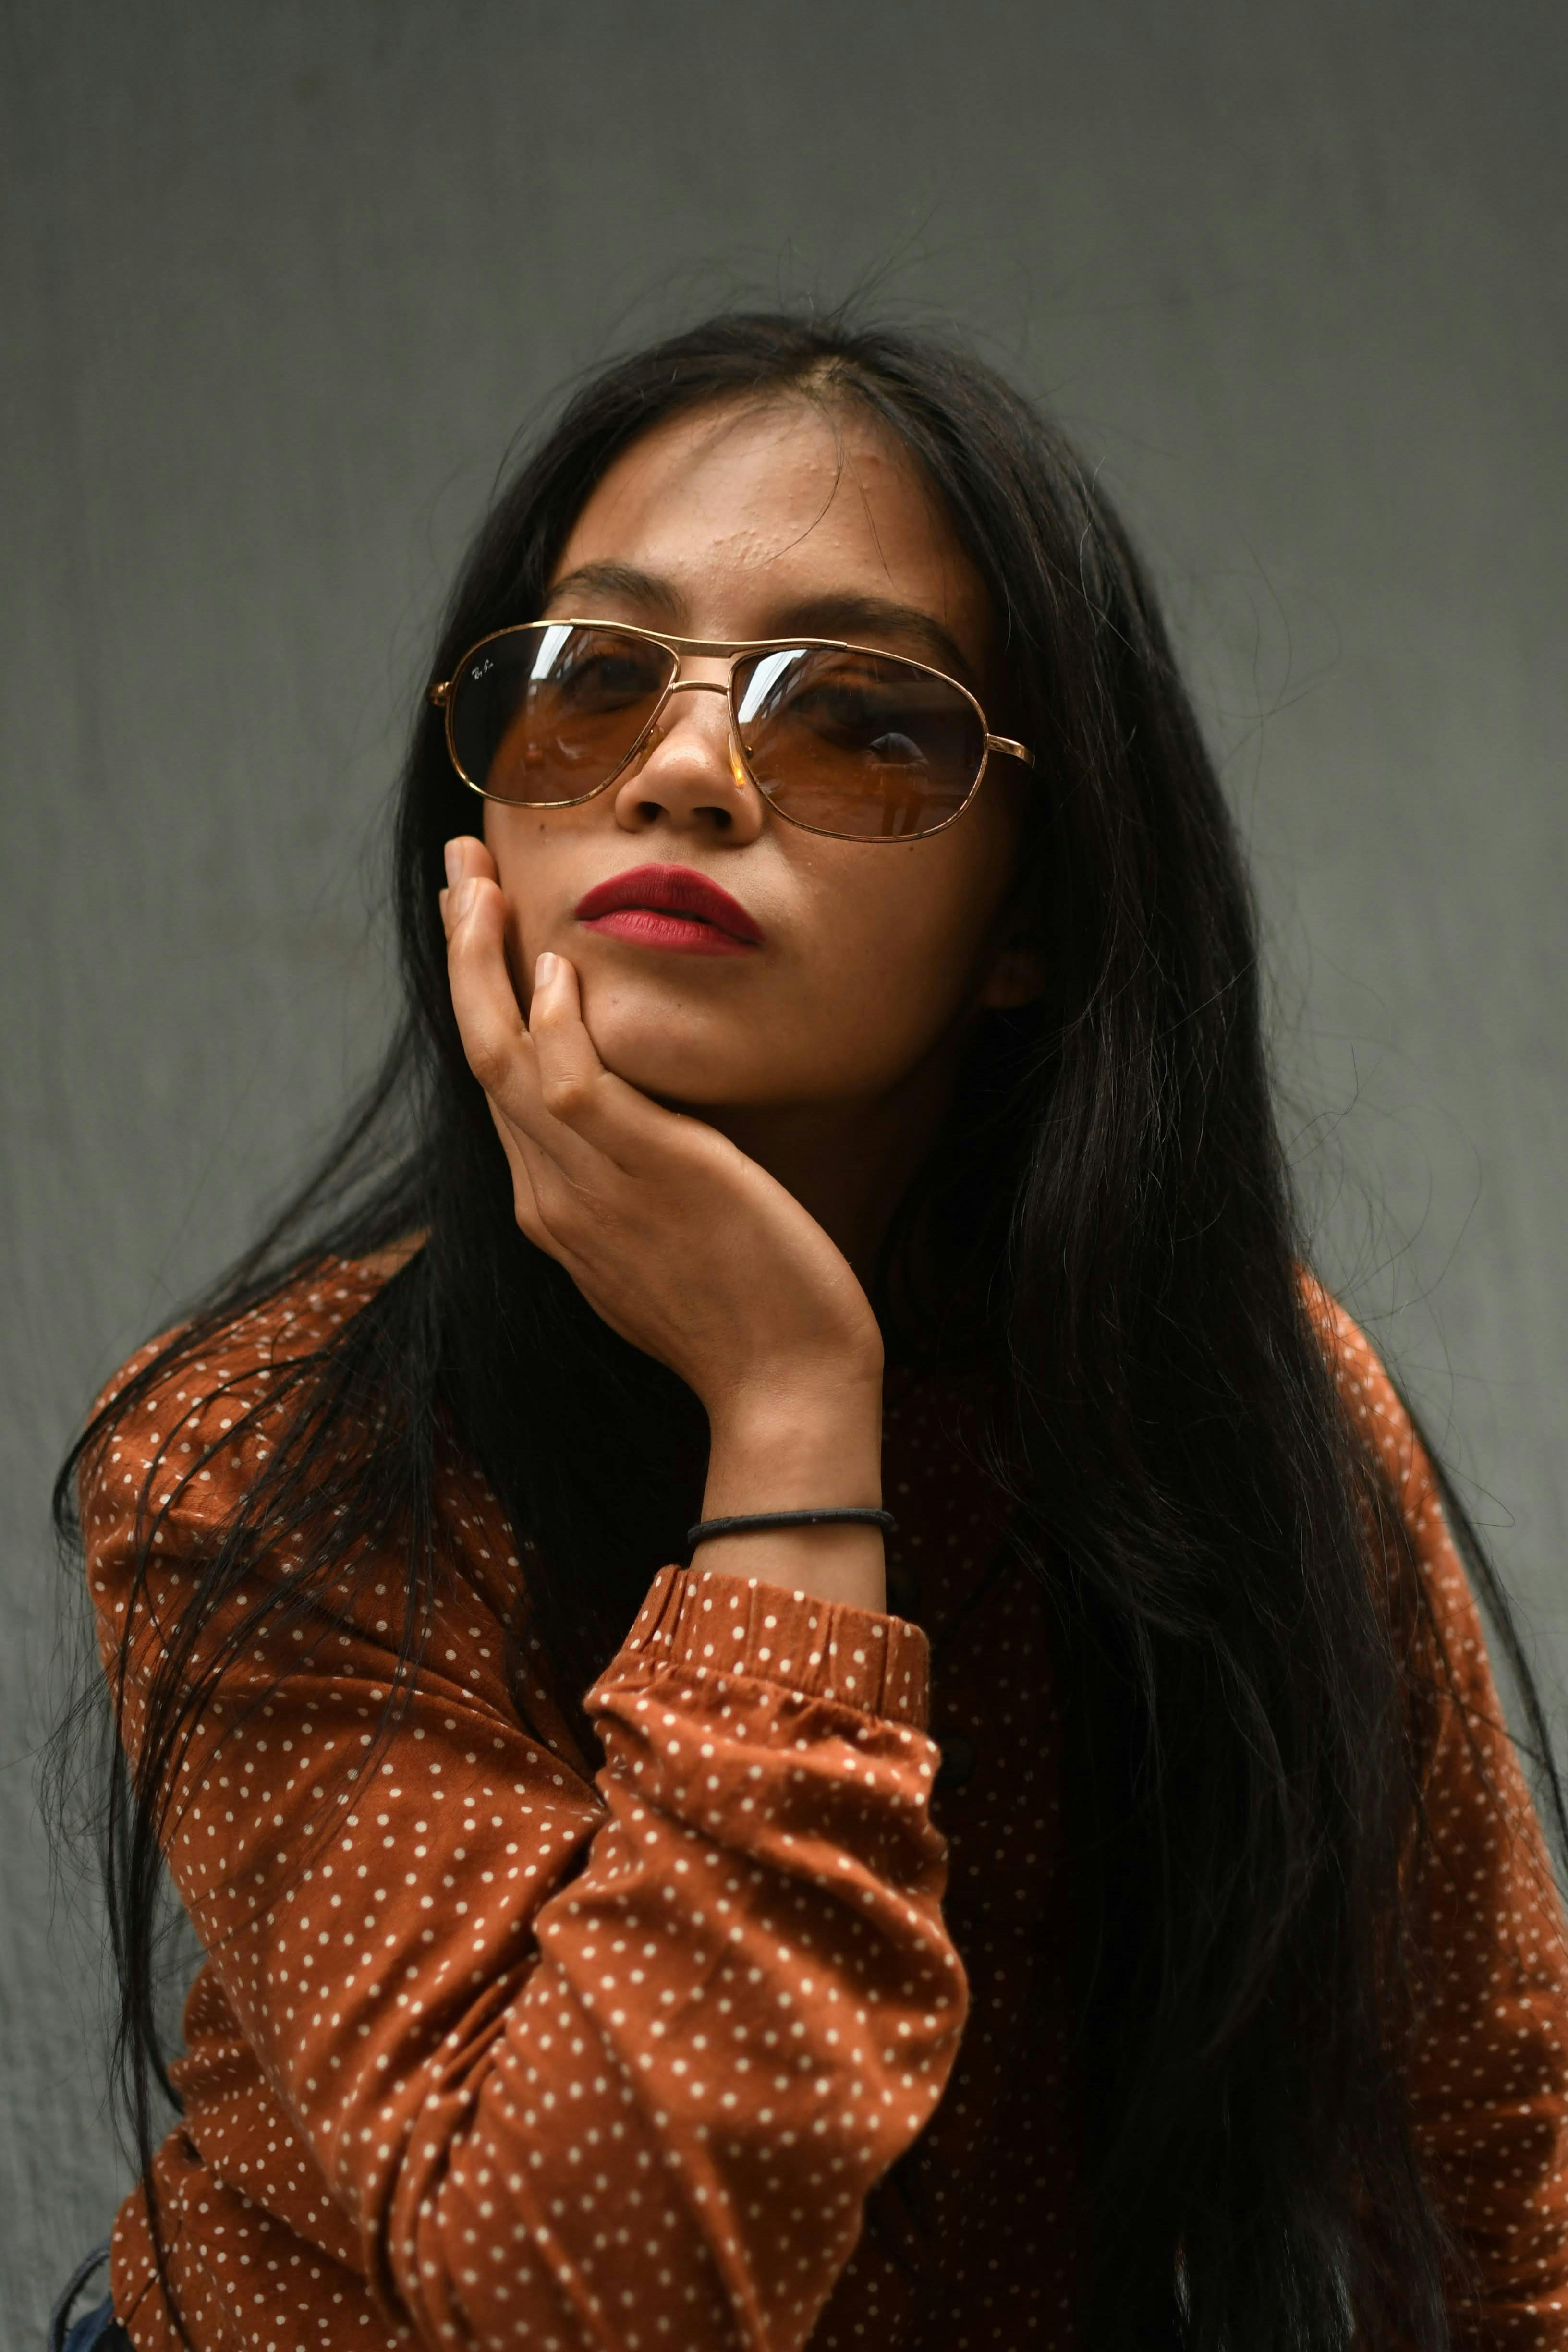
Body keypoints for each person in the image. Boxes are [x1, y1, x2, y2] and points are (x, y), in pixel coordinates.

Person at [54, 311, 1568, 2351]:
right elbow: (604, 2304)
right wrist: (785, 1407)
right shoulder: (258, 1452)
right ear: (476, 828)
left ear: (1030, 914)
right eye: (590, 683)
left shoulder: (1233, 1400)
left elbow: (1495, 2162)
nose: (681, 770)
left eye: (861, 718)